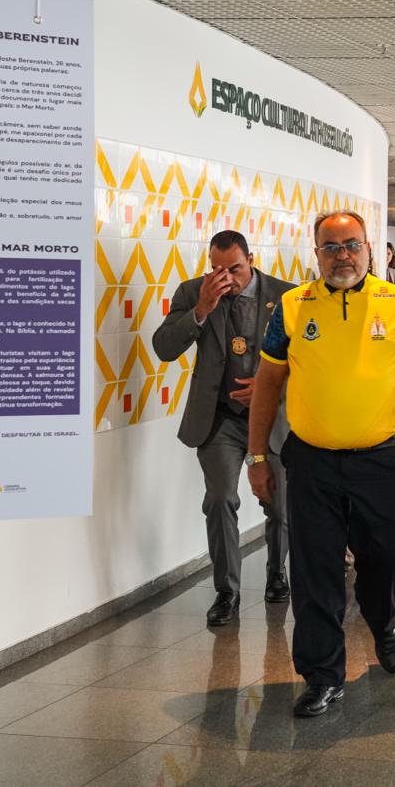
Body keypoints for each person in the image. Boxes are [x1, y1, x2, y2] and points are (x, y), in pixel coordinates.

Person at [247, 210, 395, 718]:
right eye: (331, 247)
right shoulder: (292, 307)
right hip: (311, 463)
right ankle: (322, 675)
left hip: (382, 462)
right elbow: (268, 385)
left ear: (369, 249)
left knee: (390, 558)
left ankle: (383, 623)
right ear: (316, 253)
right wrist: (257, 456)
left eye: (351, 245)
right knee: (314, 571)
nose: (342, 255)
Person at [151, 230, 294, 626]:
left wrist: (273, 386)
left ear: (252, 259)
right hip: (219, 417)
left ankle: (276, 575)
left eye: (234, 268)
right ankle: (226, 592)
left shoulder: (287, 296)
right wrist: (201, 309)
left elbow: (311, 359)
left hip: (273, 417)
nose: (225, 277)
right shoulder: (194, 292)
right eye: (217, 268)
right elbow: (163, 347)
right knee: (219, 500)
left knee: (279, 506)